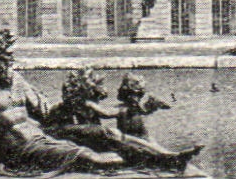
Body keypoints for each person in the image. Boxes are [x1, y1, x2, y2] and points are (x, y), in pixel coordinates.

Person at [0, 37, 123, 175]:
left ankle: (147, 159)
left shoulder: (16, 80)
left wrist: (73, 103)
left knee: (106, 141)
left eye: (8, 60)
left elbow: (46, 113)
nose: (6, 66)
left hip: (41, 138)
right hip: (14, 150)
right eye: (0, 61)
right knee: (89, 156)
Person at [42, 68, 201, 172]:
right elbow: (105, 116)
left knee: (130, 139)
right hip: (62, 136)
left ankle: (167, 157)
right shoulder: (75, 105)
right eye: (96, 87)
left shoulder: (87, 105)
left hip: (77, 135)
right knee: (114, 135)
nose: (101, 91)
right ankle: (168, 157)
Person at [114, 74, 171, 139]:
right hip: (128, 138)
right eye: (132, 96)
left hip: (140, 135)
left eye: (138, 96)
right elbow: (107, 113)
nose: (135, 99)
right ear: (126, 96)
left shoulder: (138, 107)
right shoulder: (121, 109)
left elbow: (167, 106)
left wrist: (156, 103)